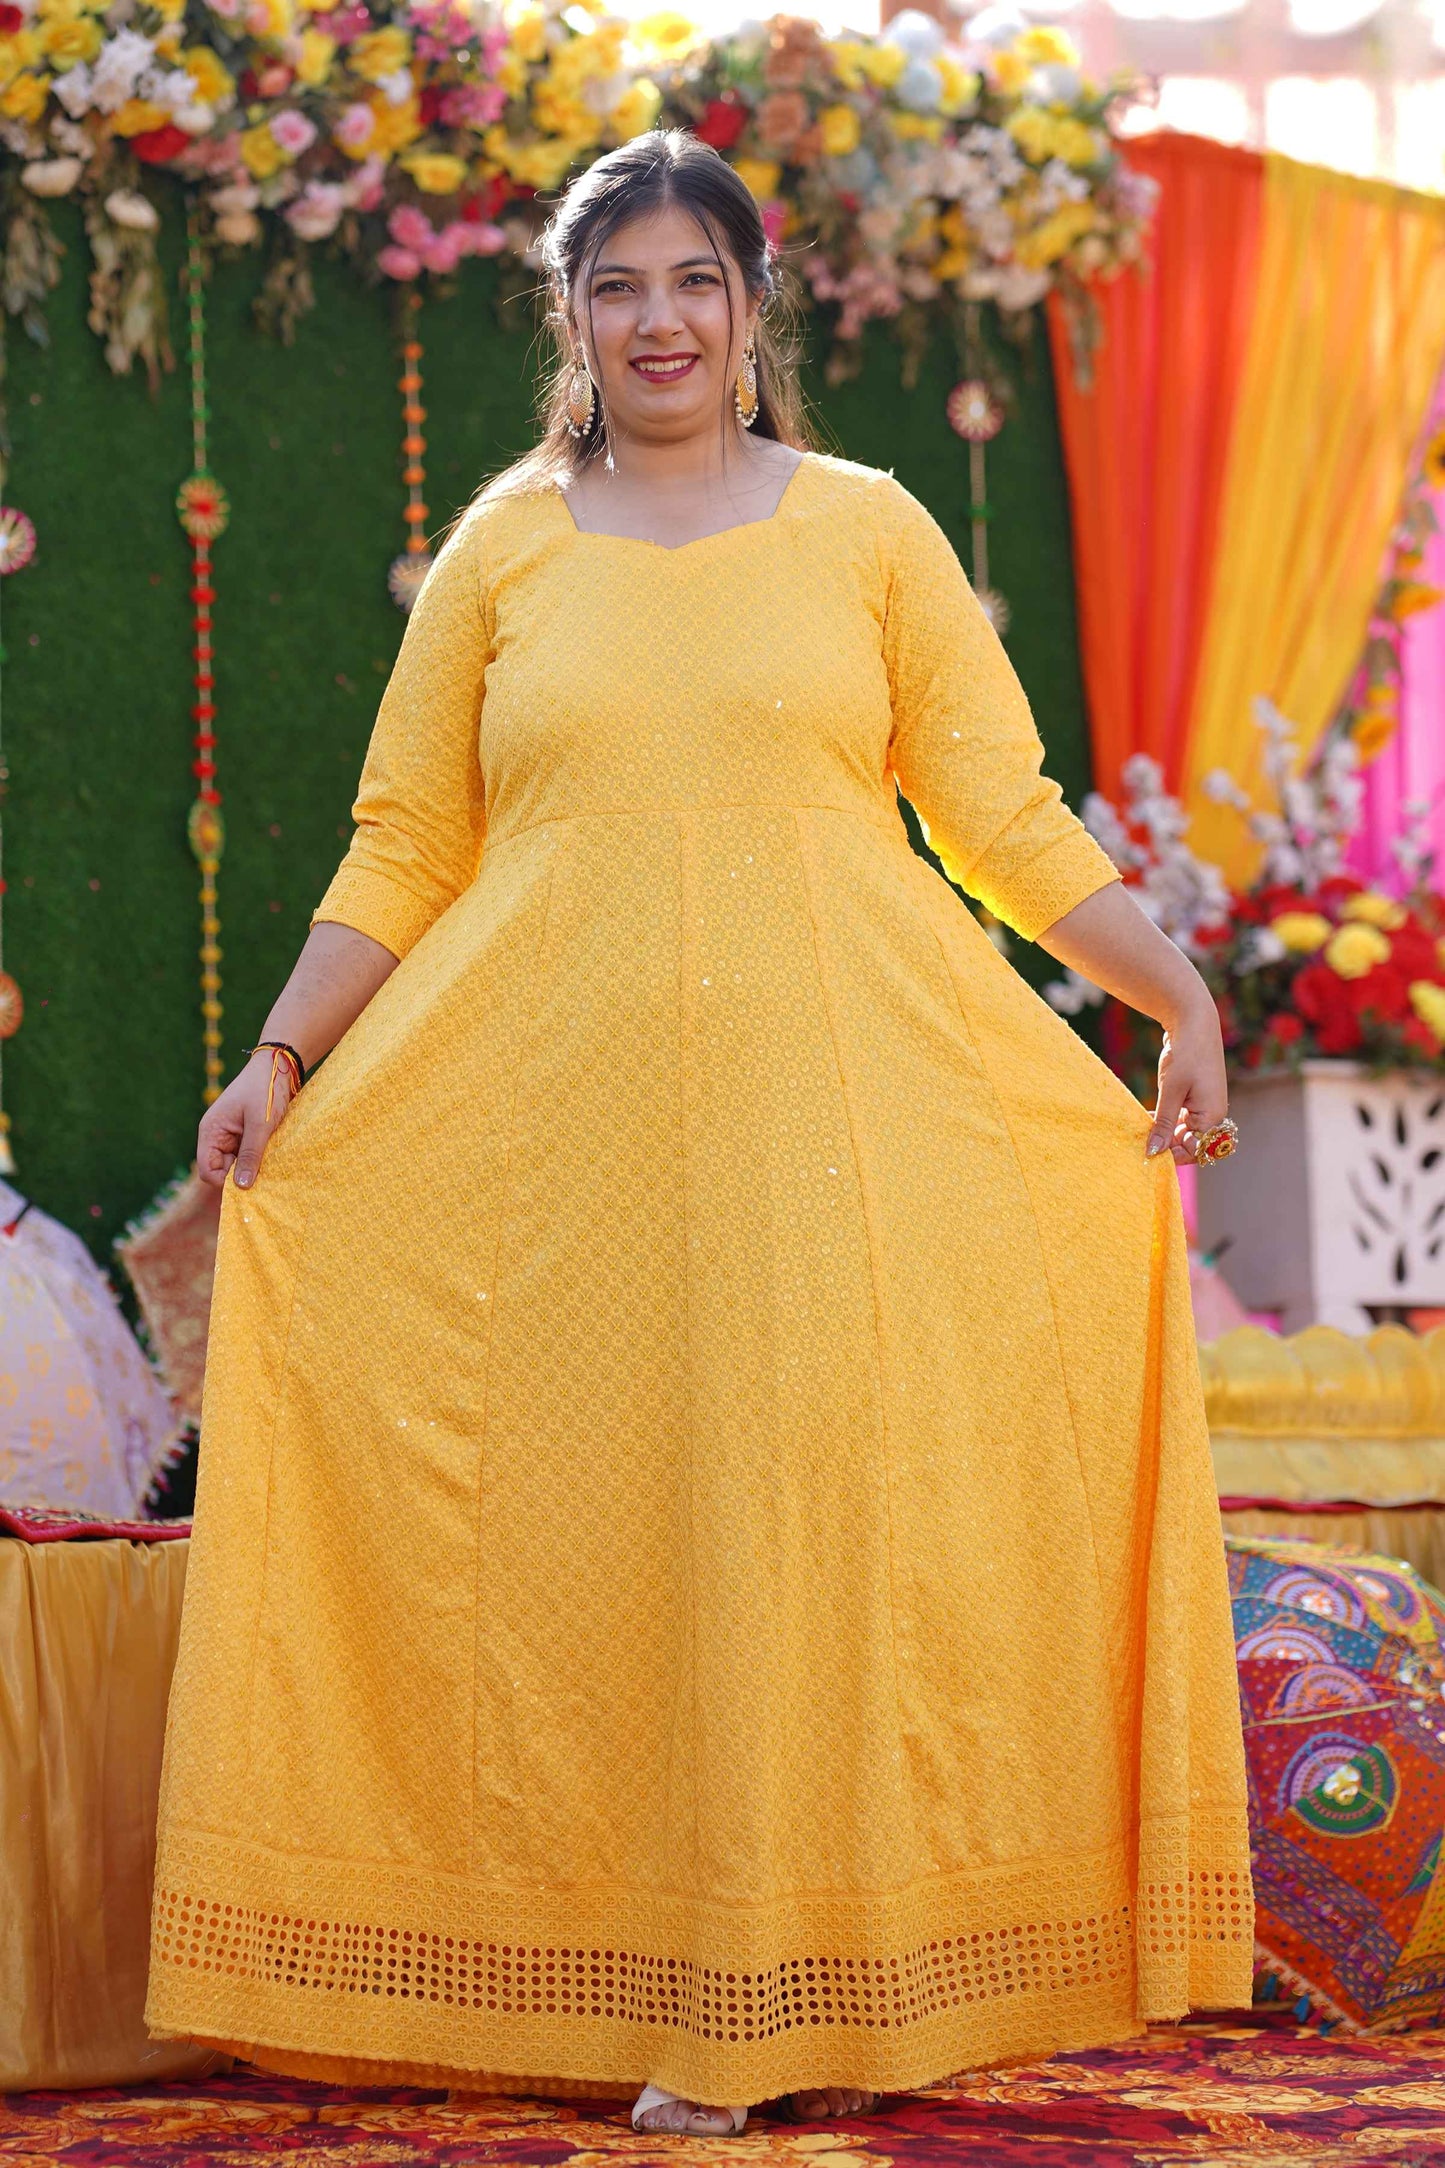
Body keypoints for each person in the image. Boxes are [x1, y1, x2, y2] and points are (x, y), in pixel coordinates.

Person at [146, 131, 1253, 2138]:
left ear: (753, 306)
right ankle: (614, 1975)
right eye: (617, 287)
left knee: (786, 1528)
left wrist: (1175, 993)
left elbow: (1000, 817)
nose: (657, 321)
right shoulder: (504, 547)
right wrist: (282, 1060)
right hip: (557, 1150)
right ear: (569, 319)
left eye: (693, 282)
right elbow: (406, 840)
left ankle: (775, 1993)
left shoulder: (867, 532)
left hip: (829, 1137)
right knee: (604, 1542)